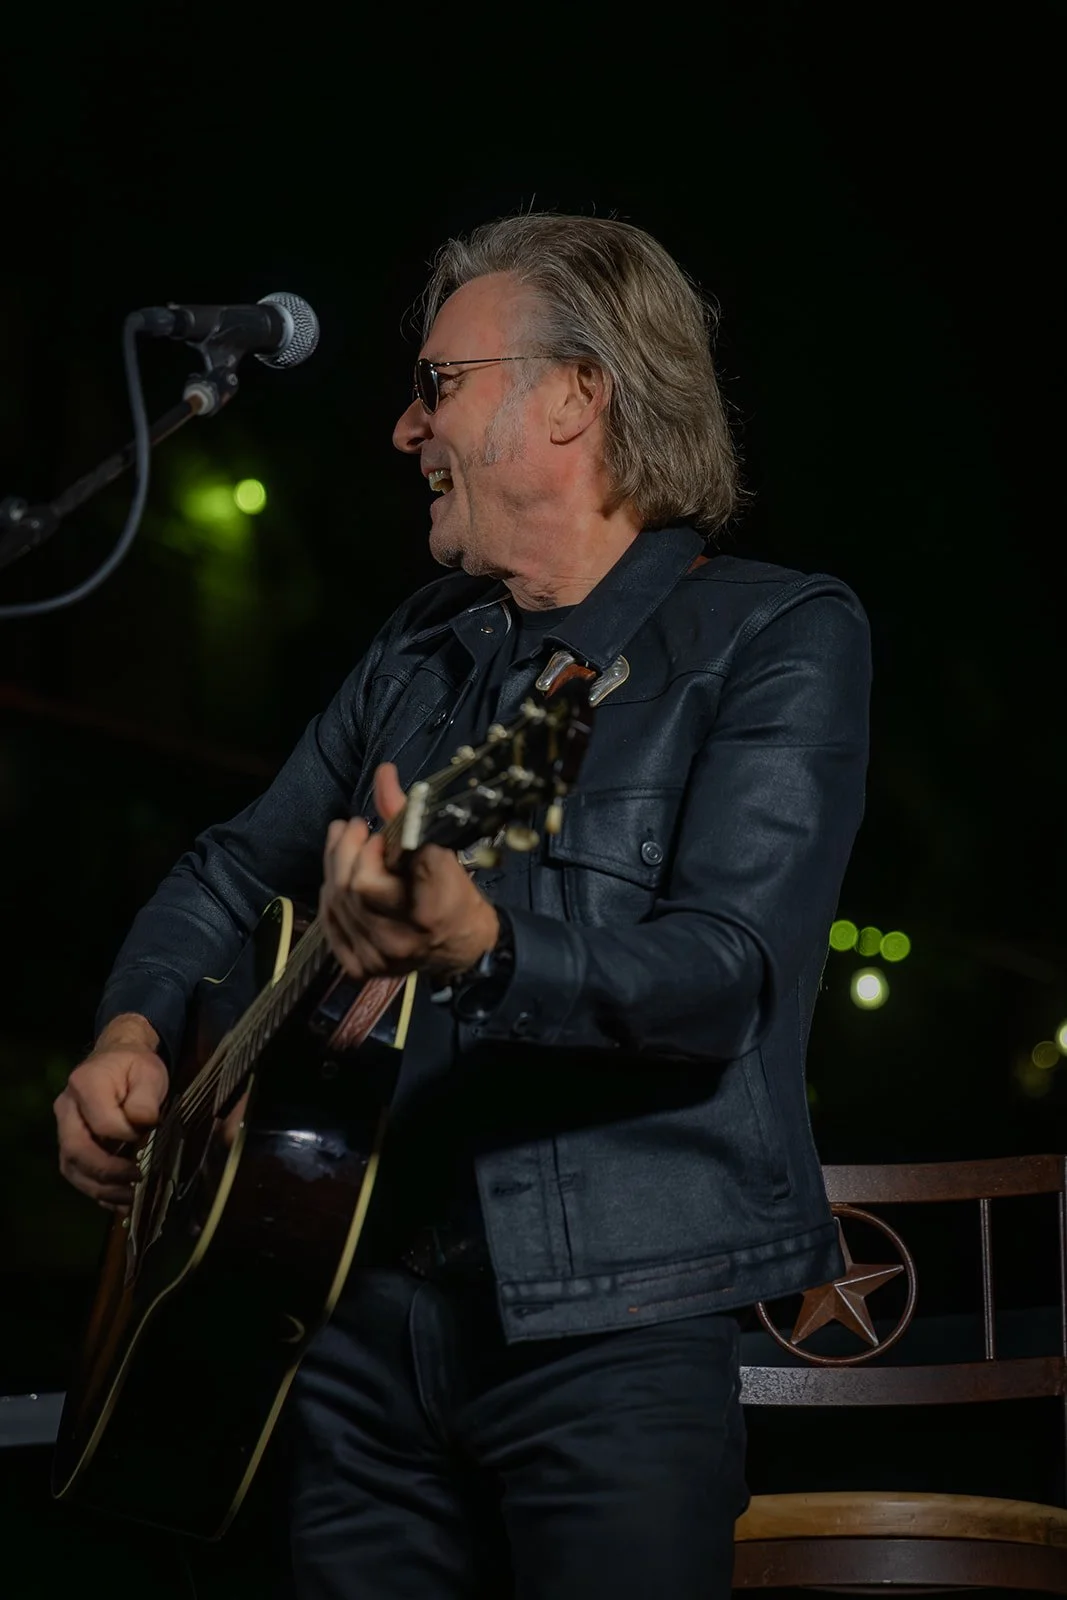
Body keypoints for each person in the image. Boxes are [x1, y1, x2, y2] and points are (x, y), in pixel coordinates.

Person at [54, 213, 871, 1598]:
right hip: (346, 1315)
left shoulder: (773, 637)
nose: (400, 427)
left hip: (612, 1333)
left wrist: (484, 944)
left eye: (438, 382)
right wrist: (131, 1034)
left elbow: (725, 974)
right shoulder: (422, 650)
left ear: (574, 394)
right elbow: (225, 872)